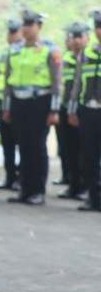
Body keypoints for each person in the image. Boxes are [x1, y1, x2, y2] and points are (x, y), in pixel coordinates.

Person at [2, 9, 62, 205]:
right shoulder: (15, 49)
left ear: (39, 27)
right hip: (19, 103)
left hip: (40, 103)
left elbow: (56, 82)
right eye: (25, 24)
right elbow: (8, 82)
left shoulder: (50, 50)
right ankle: (24, 190)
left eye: (31, 24)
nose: (27, 28)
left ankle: (38, 191)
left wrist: (54, 110)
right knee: (24, 147)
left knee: (37, 147)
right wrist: (7, 107)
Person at [68, 10, 101, 212]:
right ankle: (93, 197)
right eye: (97, 27)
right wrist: (72, 110)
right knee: (89, 156)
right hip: (88, 111)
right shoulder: (86, 55)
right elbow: (77, 85)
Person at [55, 22, 88, 198]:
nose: (75, 40)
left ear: (86, 38)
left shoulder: (89, 57)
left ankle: (85, 187)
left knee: (85, 151)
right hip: (65, 109)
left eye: (78, 36)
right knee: (69, 150)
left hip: (83, 110)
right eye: (72, 36)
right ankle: (73, 185)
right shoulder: (66, 59)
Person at [0, 18, 24, 190]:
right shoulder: (6, 53)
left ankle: (21, 178)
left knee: (23, 145)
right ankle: (10, 177)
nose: (11, 35)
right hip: (2, 104)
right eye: (9, 32)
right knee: (8, 145)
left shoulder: (23, 52)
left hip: (17, 105)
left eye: (14, 32)